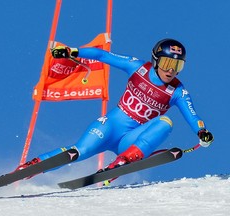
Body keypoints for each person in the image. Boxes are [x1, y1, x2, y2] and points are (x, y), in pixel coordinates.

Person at [16, 38, 214, 179]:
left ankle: (123, 162)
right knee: (78, 152)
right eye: (167, 63)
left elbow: (192, 115)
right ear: (156, 60)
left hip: (131, 139)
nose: (171, 70)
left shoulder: (178, 91)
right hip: (110, 126)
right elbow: (103, 55)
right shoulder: (138, 67)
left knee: (165, 123)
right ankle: (31, 167)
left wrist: (202, 131)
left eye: (177, 65)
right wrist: (72, 52)